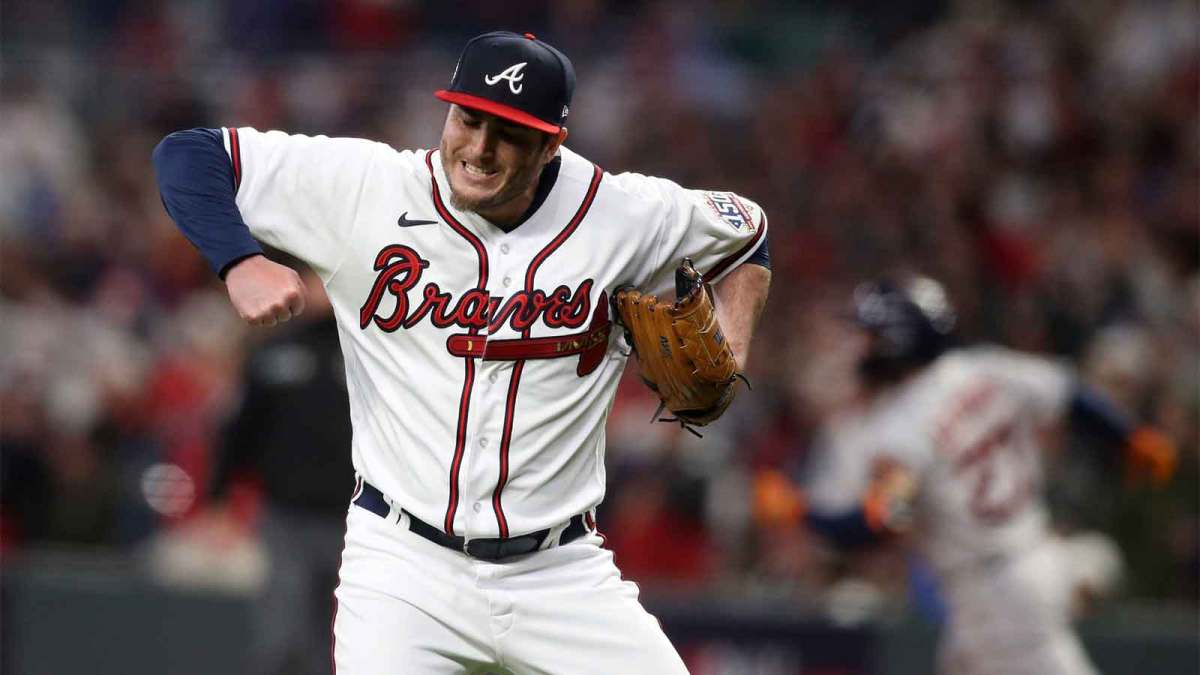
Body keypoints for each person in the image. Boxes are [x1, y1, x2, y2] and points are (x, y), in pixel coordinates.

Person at [153, 31, 771, 674]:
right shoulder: (367, 188)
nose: (478, 148)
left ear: (551, 141)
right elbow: (189, 155)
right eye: (467, 119)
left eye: (506, 132)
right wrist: (239, 260)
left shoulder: (627, 214)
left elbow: (746, 233)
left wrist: (732, 345)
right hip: (403, 567)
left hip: (560, 574)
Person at [754, 276, 1176, 675]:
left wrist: (798, 510)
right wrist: (1130, 437)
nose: (862, 347)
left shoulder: (903, 424)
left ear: (896, 341)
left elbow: (878, 521)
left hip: (994, 594)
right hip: (1027, 559)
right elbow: (1071, 395)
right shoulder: (988, 368)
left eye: (871, 335)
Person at [207, 259, 353, 675]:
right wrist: (218, 498)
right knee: (282, 635)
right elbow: (240, 433)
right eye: (312, 279)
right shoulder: (273, 353)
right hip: (287, 516)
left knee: (346, 637)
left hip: (354, 518)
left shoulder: (367, 353)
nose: (319, 290)